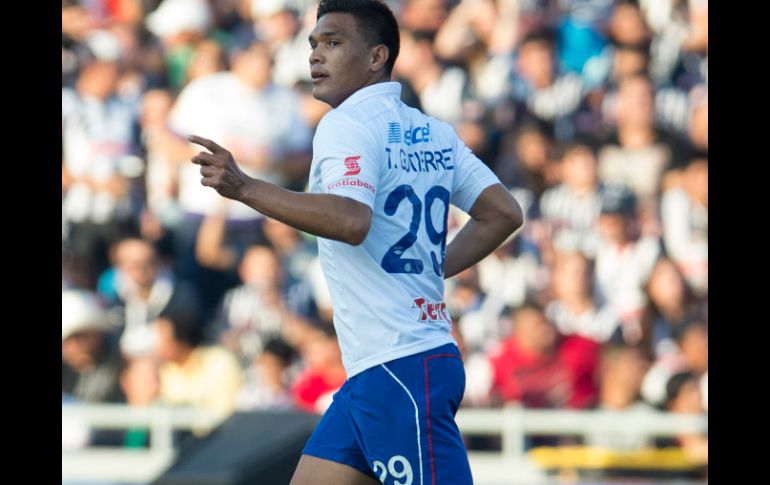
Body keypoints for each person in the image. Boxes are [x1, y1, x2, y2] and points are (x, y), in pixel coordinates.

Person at [187, 1, 523, 483]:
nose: (315, 56)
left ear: (376, 57)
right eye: (313, 44)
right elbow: (502, 212)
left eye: (334, 42)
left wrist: (246, 188)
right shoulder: (434, 131)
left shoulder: (345, 123)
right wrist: (430, 267)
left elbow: (351, 220)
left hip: (398, 366)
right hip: (392, 364)